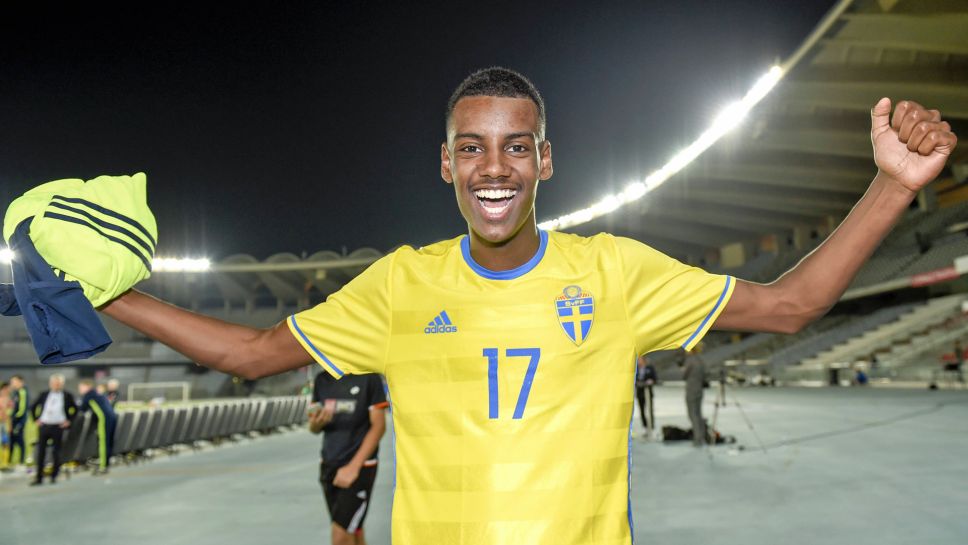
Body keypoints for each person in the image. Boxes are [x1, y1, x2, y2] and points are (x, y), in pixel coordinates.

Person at [94, 68, 956, 544]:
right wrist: (111, 294)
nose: (494, 168)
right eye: (472, 148)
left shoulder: (614, 272)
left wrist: (892, 185)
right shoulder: (399, 284)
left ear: (545, 160)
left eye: (516, 147)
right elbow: (248, 353)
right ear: (446, 163)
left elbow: (792, 304)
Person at [308, 372, 387, 545]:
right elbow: (313, 427)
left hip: (360, 467)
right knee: (354, 529)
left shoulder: (369, 378)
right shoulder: (322, 379)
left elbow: (379, 426)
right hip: (328, 466)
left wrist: (353, 467)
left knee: (341, 535)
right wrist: (317, 424)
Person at [29, 373, 77, 485]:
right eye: (54, 383)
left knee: (56, 451)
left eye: (58, 384)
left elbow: (75, 409)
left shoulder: (67, 395)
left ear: (62, 384)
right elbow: (33, 406)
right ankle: (39, 477)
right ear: (50, 384)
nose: (56, 385)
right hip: (44, 425)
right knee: (41, 452)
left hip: (58, 426)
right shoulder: (44, 394)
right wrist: (36, 419)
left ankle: (54, 475)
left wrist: (68, 421)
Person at [77, 379, 117, 474]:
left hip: (104, 419)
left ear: (87, 387)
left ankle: (103, 467)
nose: (80, 390)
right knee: (109, 442)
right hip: (112, 417)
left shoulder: (88, 395)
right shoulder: (97, 394)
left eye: (81, 387)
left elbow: (82, 409)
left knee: (103, 442)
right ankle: (106, 463)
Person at [682, 345, 707, 446]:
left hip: (691, 389)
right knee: (699, 413)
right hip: (699, 389)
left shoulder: (690, 360)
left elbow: (684, 375)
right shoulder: (701, 360)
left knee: (692, 414)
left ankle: (697, 438)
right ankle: (702, 436)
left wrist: (682, 369)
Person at [7, 374, 28, 466]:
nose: (12, 383)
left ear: (20, 382)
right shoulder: (16, 392)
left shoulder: (22, 391)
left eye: (14, 381)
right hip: (14, 420)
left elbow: (22, 409)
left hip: (19, 421)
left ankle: (21, 461)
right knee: (11, 440)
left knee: (19, 440)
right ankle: (9, 461)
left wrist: (14, 417)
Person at [635, 355, 657, 436]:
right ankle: (644, 427)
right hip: (640, 392)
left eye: (640, 360)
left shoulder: (650, 368)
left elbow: (655, 378)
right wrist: (638, 383)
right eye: (638, 360)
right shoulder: (636, 369)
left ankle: (652, 427)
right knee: (642, 410)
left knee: (650, 410)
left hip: (648, 392)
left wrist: (651, 381)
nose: (638, 362)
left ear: (643, 360)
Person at [0, 382, 10, 469]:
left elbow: (10, 413)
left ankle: (5, 463)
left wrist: (10, 425)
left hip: (5, 424)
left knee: (5, 443)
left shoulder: (9, 400)